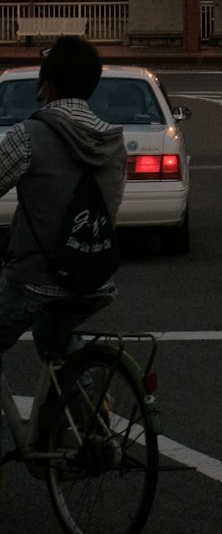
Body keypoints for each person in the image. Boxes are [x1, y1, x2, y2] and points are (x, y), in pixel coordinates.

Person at [0, 36, 126, 374]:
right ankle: (86, 408)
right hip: (96, 280)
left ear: (46, 85)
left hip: (35, 281)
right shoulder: (112, 141)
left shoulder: (28, 134)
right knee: (53, 334)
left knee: (34, 310)